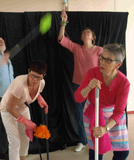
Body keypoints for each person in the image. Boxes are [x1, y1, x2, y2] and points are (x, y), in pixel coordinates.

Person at [58, 10, 103, 152]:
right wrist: (63, 22)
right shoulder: (77, 48)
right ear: (82, 37)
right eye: (84, 33)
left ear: (93, 37)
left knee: (96, 115)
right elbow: (61, 39)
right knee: (80, 116)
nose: (85, 33)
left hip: (95, 87)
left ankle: (96, 141)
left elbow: (105, 67)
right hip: (79, 85)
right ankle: (82, 141)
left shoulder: (99, 50)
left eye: (88, 33)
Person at [74, 43, 129, 160]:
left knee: (122, 153)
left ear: (118, 64)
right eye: (102, 57)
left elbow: (119, 111)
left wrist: (106, 128)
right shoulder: (92, 73)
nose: (102, 62)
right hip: (94, 113)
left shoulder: (124, 83)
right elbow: (78, 98)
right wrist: (88, 87)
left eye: (108, 60)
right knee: (96, 151)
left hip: (114, 116)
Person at [0, 60, 48, 160]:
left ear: (43, 75)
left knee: (25, 136)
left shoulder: (42, 83)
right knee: (15, 141)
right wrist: (26, 121)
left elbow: (36, 91)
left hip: (21, 107)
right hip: (7, 109)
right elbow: (10, 107)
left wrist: (40, 99)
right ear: (28, 71)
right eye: (32, 75)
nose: (34, 80)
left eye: (38, 77)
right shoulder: (20, 84)